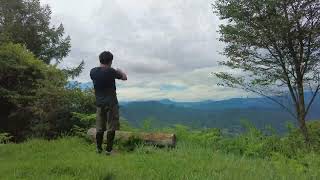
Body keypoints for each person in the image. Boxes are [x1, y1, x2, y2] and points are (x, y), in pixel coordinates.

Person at [90, 51, 127, 155]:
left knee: (100, 127)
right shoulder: (112, 71)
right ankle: (109, 150)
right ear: (111, 61)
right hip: (112, 103)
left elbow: (99, 73)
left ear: (100, 60)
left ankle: (98, 149)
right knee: (111, 127)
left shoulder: (92, 72)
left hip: (99, 103)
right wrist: (120, 71)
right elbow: (124, 77)